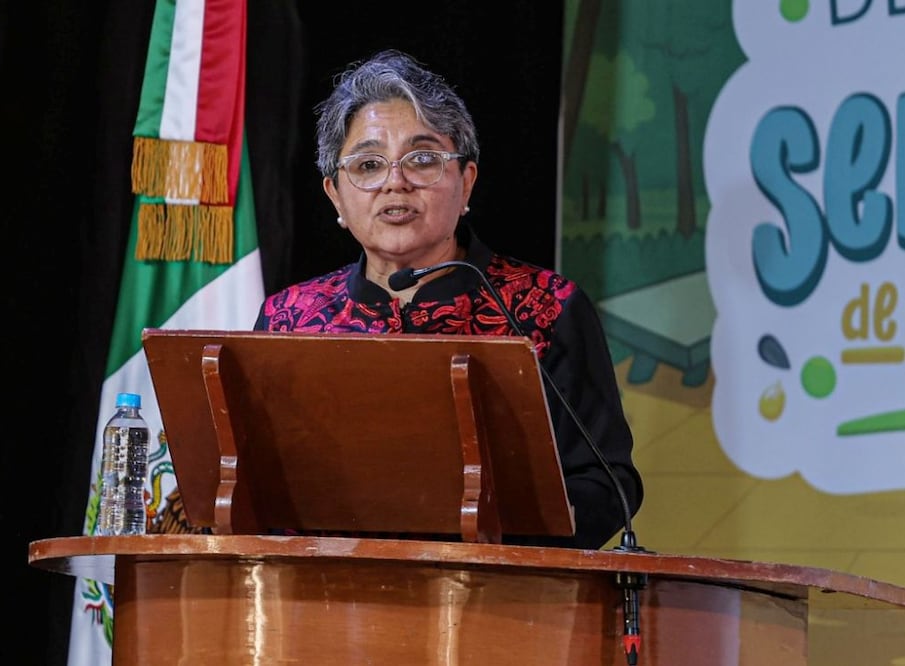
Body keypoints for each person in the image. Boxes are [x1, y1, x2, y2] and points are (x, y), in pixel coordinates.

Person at [252, 49, 642, 550]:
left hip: (498, 604)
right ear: (335, 196)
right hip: (321, 605)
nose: (396, 181)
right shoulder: (290, 319)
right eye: (368, 164)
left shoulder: (545, 307)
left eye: (423, 159)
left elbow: (607, 484)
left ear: (466, 183)